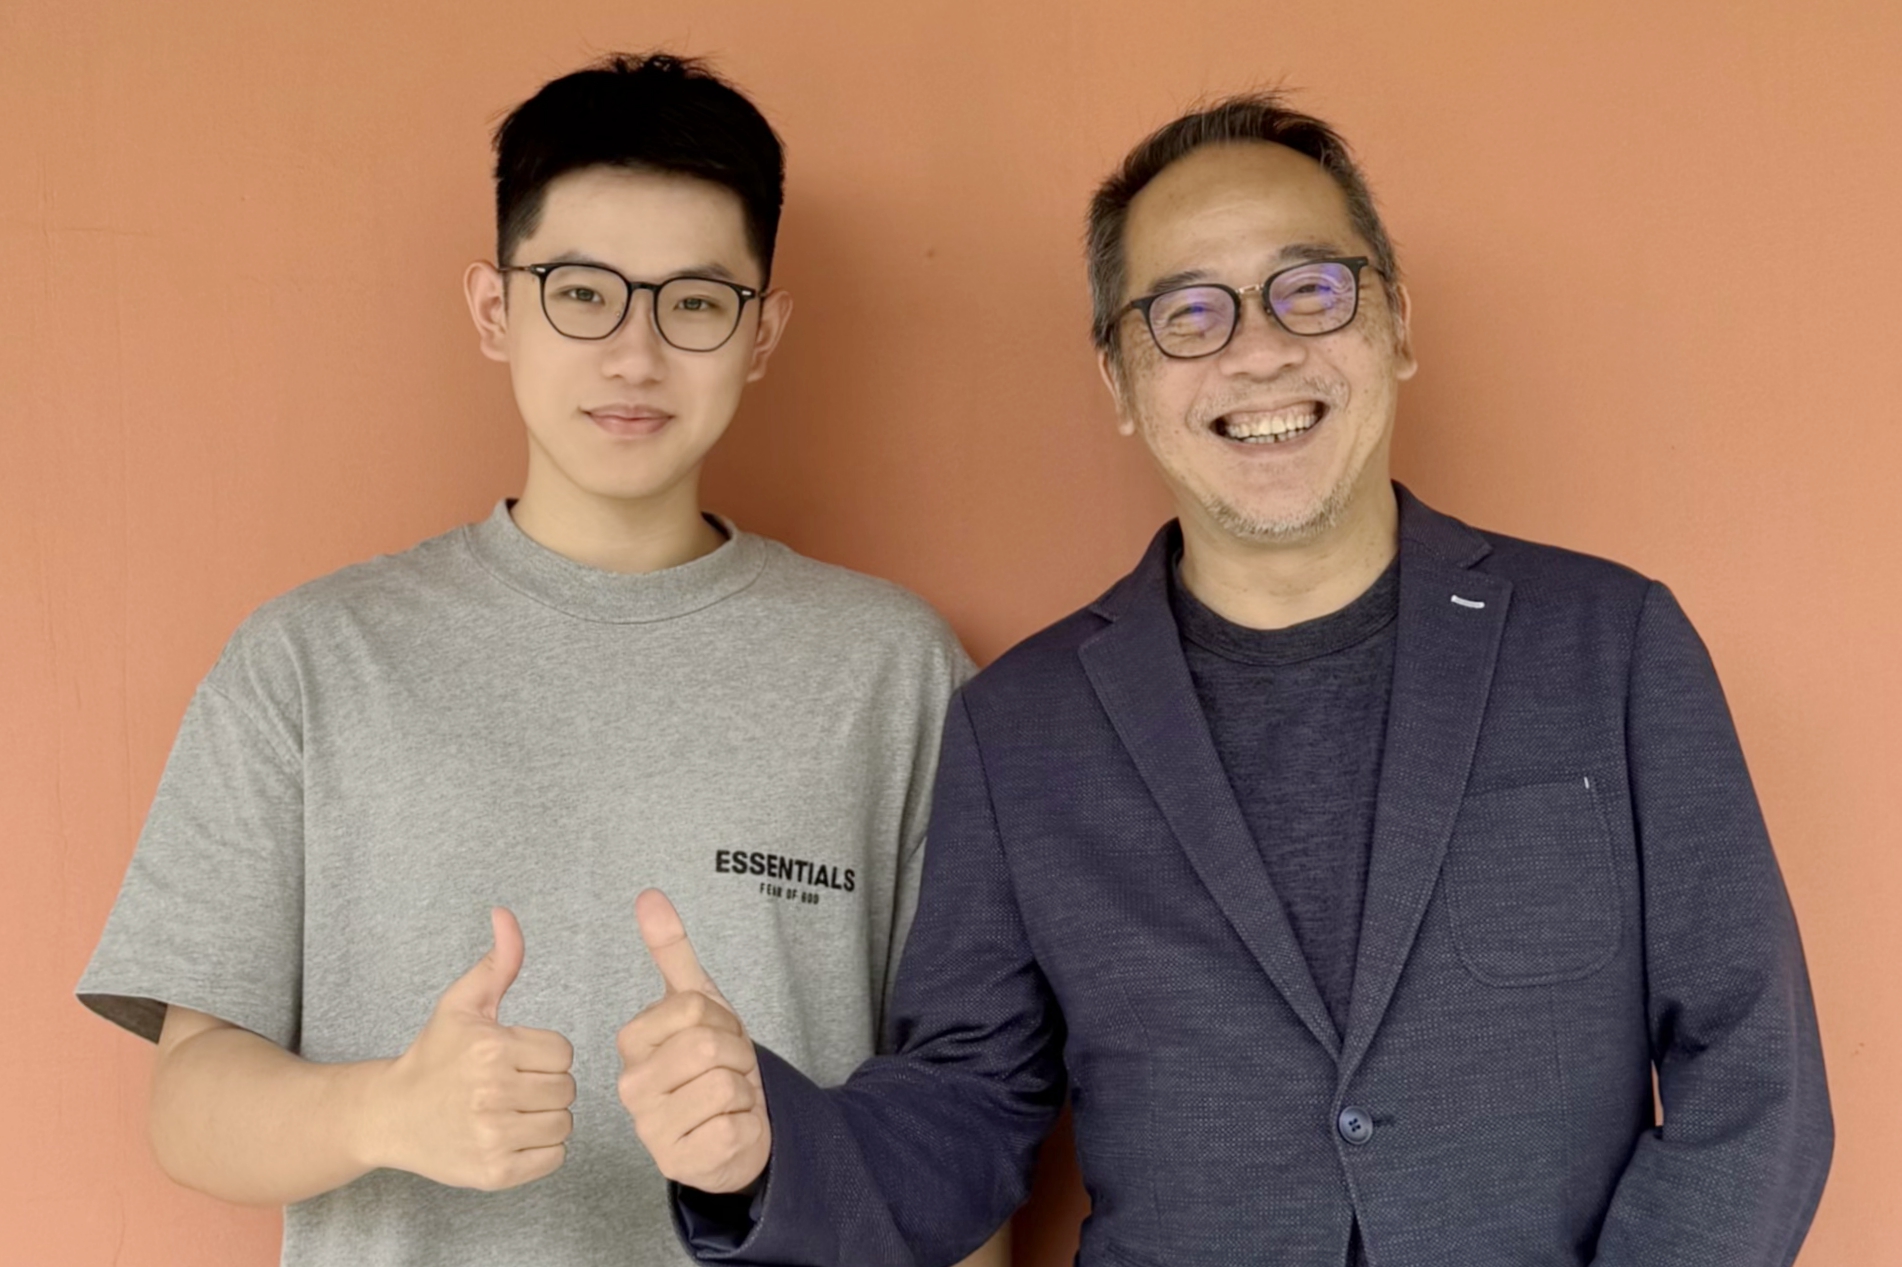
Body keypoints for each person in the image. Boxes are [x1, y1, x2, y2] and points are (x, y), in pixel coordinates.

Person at [618, 94, 1834, 1267]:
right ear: (1119, 380)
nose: (1259, 350)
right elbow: (971, 1107)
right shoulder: (1018, 728)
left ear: (1398, 324)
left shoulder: (1610, 646)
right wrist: (772, 1153)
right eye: (1188, 313)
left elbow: (1756, 1073)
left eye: (1312, 289)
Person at [77, 52, 1005, 1267]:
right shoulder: (312, 657)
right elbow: (188, 1099)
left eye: (695, 302)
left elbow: (959, 1133)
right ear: (493, 308)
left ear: (761, 332)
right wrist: (382, 1109)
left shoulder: (892, 669)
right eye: (581, 293)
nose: (634, 355)